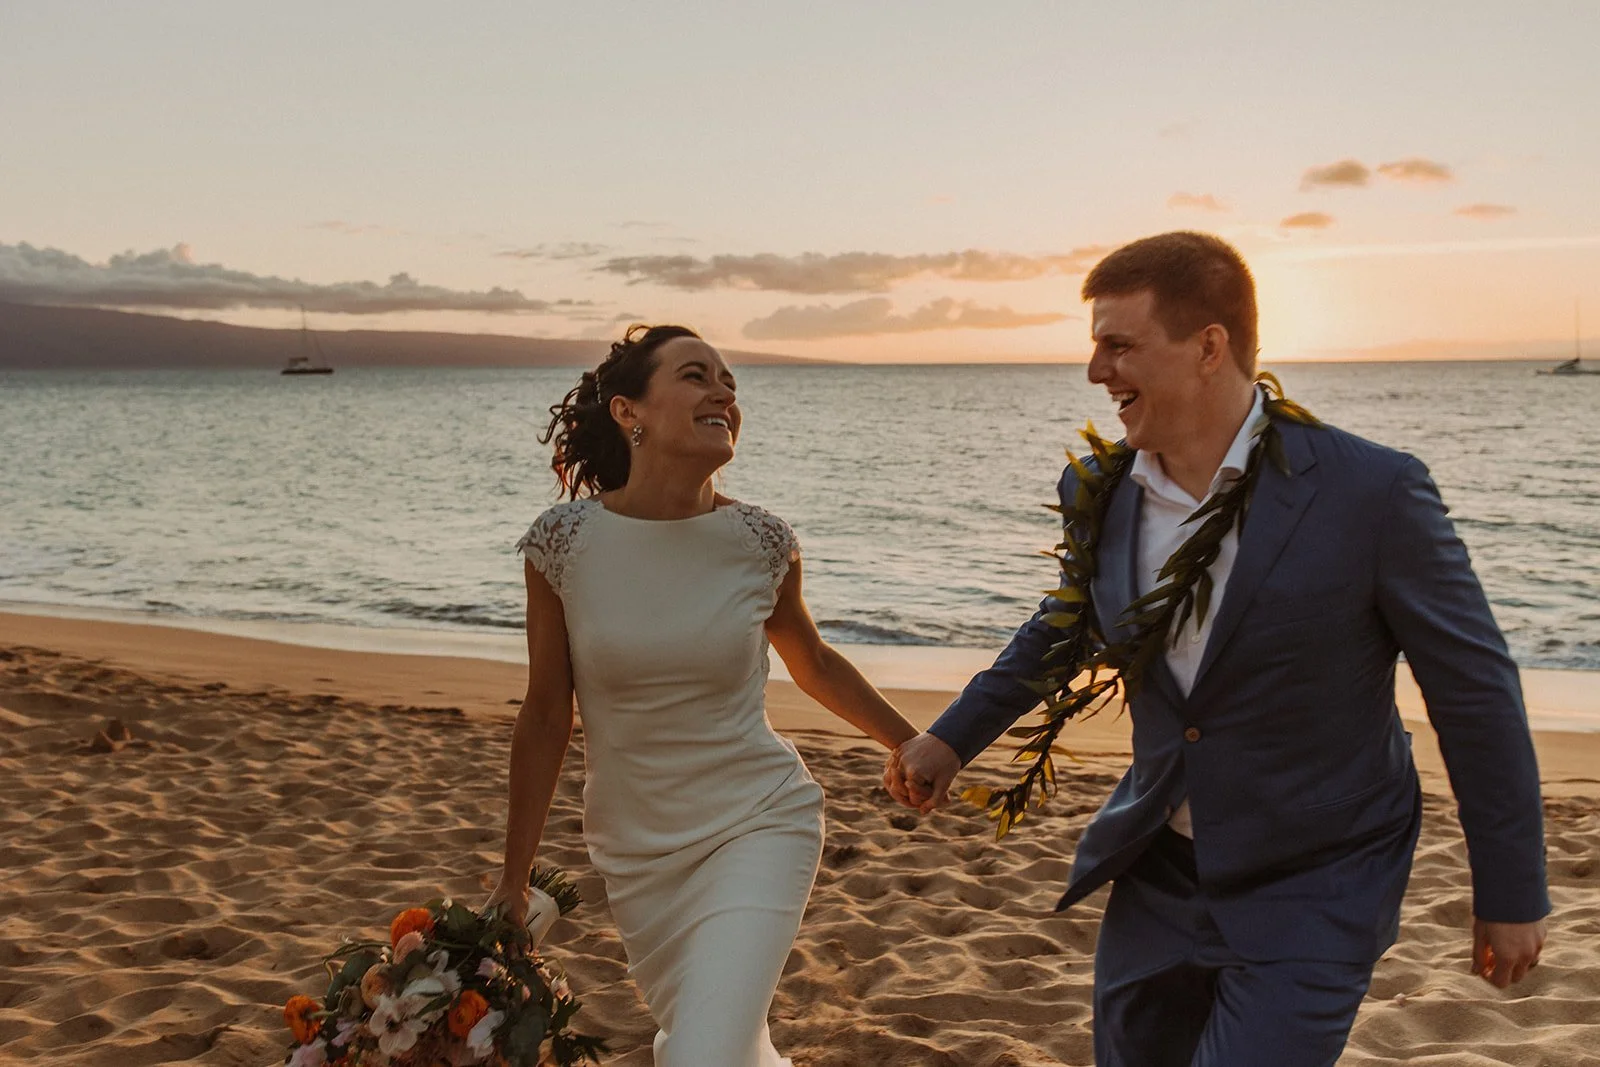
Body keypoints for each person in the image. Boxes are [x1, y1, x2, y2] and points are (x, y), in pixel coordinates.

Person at [885, 232, 1549, 1066]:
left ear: (1208, 347)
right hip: (1158, 870)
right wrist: (953, 735)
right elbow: (1067, 624)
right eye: (1094, 346)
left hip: (1318, 876)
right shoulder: (1098, 495)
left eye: (1118, 345)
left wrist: (1511, 889)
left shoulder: (1372, 492)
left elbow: (1474, 688)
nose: (1097, 372)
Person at [485, 324, 919, 1066]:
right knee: (725, 1045)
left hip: (758, 819)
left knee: (704, 1053)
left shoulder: (760, 540)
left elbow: (811, 658)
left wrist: (909, 741)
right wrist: (512, 880)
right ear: (631, 412)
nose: (724, 392)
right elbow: (547, 713)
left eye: (730, 384)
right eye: (696, 376)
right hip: (639, 850)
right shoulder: (563, 544)